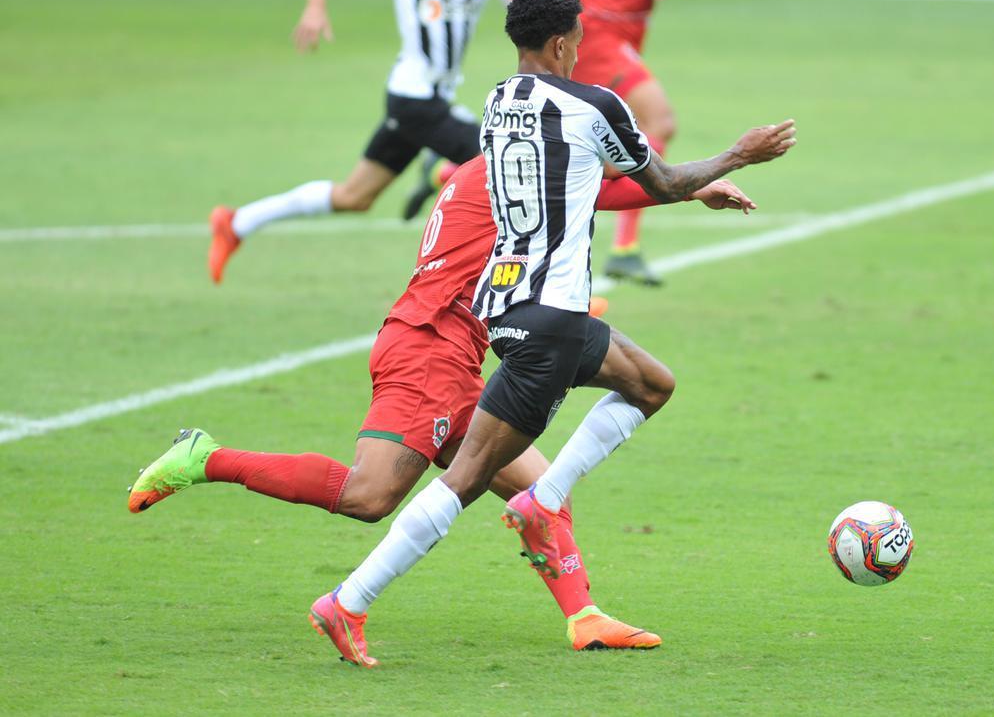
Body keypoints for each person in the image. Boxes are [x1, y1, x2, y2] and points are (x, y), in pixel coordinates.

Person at [303, 0, 794, 665]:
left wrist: (691, 182)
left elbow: (578, 173)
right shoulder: (597, 105)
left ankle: (546, 499)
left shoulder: (498, 102)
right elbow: (663, 181)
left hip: (508, 306)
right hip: (553, 317)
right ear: (563, 42)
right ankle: (349, 601)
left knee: (650, 384)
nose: (582, 49)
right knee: (465, 479)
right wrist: (738, 153)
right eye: (579, 39)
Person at [130, 150, 758, 662]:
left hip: (451, 352)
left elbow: (593, 191)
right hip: (428, 348)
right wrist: (689, 186)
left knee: (539, 489)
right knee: (369, 497)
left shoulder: (488, 169)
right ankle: (206, 458)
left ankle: (584, 617)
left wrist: (683, 189)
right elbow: (602, 190)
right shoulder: (513, 175)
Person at [207, 0, 521, 285]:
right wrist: (315, 7)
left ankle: (238, 222)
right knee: (506, 167)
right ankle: (450, 179)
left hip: (430, 101)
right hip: (414, 99)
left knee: (354, 197)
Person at [508, 0, 691, 286]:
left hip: (631, 37)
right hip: (591, 37)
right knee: (658, 121)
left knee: (568, 132)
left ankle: (451, 168)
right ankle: (624, 244)